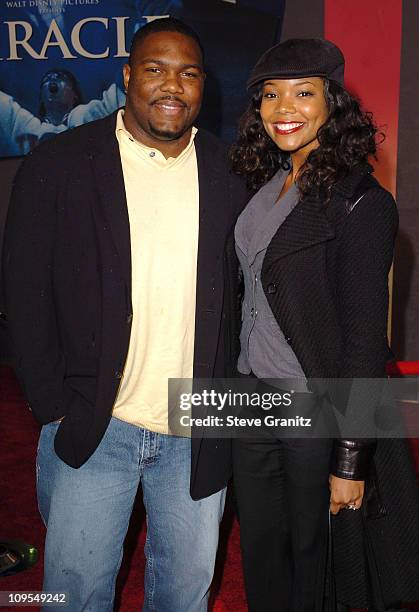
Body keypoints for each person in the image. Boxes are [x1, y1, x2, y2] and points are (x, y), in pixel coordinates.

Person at [2, 17, 247, 611]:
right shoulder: (60, 163)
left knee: (185, 594)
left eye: (188, 73)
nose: (172, 86)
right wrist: (53, 405)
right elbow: (22, 293)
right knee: (74, 595)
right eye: (156, 69)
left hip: (195, 428)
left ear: (202, 86)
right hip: (94, 424)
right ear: (127, 76)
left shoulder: (231, 171)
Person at [229, 39, 419, 611]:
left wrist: (350, 458)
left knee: (318, 560)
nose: (284, 107)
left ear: (332, 102)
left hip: (313, 402)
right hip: (247, 395)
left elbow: (365, 340)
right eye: (270, 94)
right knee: (261, 548)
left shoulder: (361, 202)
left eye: (303, 92)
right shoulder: (264, 188)